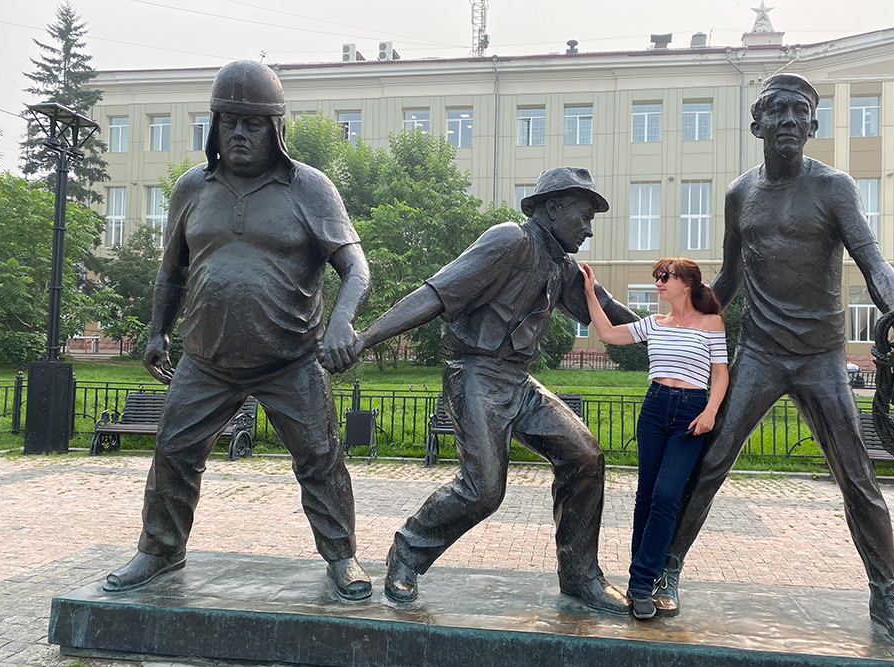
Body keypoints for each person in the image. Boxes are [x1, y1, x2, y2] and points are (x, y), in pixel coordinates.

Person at [656, 74, 894, 649]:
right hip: (758, 354)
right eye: (776, 110)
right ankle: (666, 569)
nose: (788, 118)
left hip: (819, 358)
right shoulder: (740, 195)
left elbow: (872, 259)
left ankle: (888, 595)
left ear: (813, 125)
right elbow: (731, 277)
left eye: (800, 110)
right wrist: (684, 316)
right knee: (708, 465)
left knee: (857, 477)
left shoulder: (834, 189)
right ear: (757, 125)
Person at [103, 60, 374, 601]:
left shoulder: (310, 189)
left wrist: (343, 319)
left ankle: (342, 557)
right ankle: (159, 550)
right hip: (205, 360)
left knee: (320, 459)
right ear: (214, 126)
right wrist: (156, 332)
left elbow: (357, 267)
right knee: (174, 454)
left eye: (252, 123)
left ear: (275, 129)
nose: (240, 134)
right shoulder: (191, 188)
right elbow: (171, 269)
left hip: (291, 359)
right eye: (229, 122)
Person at [329, 167, 640, 613]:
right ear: (553, 208)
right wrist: (364, 339)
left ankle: (580, 577)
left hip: (518, 380)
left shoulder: (565, 267)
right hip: (474, 372)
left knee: (584, 456)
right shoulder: (508, 241)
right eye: (584, 216)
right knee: (483, 489)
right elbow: (434, 295)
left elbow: (609, 311)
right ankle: (408, 554)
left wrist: (684, 329)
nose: (589, 229)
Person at [581, 258, 728, 620]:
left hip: (690, 413)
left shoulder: (711, 323)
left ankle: (643, 582)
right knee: (645, 498)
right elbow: (609, 334)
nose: (659, 283)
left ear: (687, 284)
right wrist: (590, 293)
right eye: (658, 278)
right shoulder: (655, 323)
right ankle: (640, 582)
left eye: (666, 277)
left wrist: (709, 411)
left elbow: (720, 375)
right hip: (654, 409)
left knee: (666, 497)